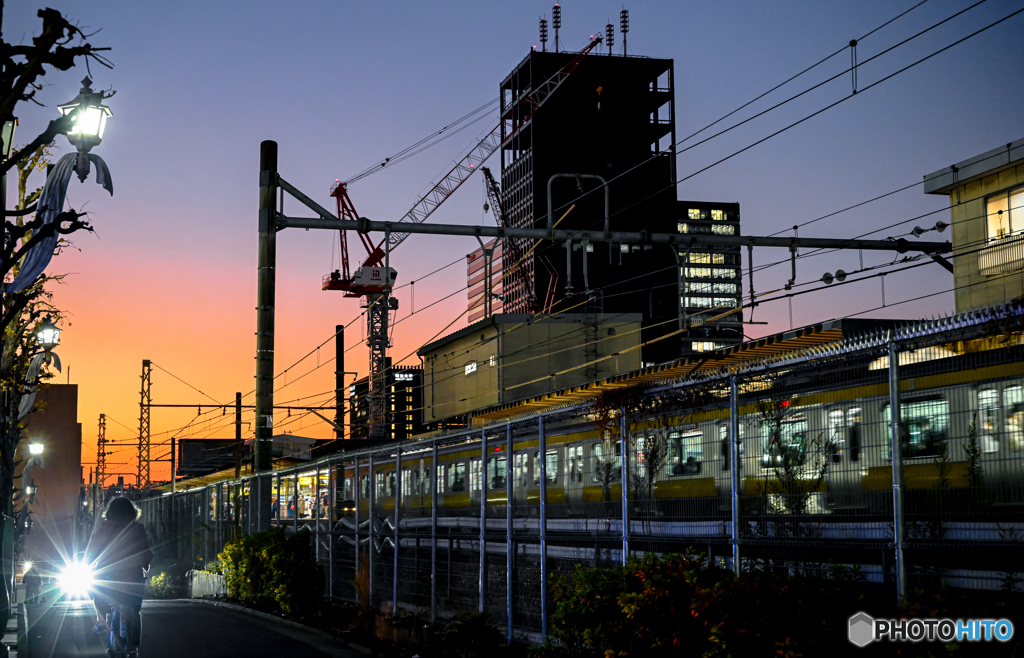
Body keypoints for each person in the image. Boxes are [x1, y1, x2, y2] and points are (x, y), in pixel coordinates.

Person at [89, 496, 153, 653]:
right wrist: (145, 565)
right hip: (133, 577)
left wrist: (90, 562)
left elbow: (94, 549)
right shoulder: (137, 529)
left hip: (108, 576)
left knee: (97, 594)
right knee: (134, 610)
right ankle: (133, 645)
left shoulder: (105, 528)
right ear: (132, 512)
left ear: (110, 512)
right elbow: (145, 551)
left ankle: (101, 621)